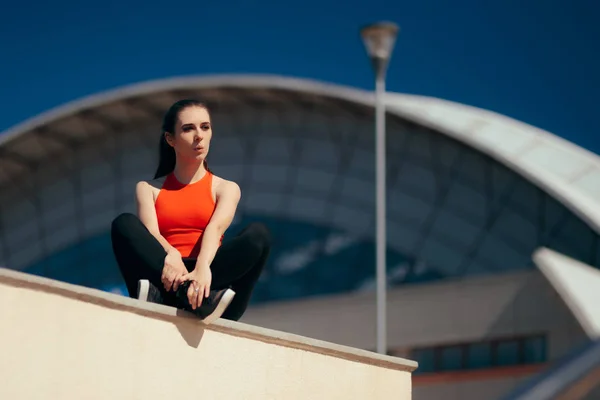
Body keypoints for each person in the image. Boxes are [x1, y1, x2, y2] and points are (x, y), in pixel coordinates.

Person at [110, 99, 270, 324]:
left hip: (208, 276)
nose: (199, 135)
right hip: (165, 272)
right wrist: (171, 255)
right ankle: (187, 297)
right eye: (188, 128)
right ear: (170, 139)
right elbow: (151, 234)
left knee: (258, 236)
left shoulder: (226, 188)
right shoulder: (148, 189)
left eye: (205, 127)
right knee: (123, 224)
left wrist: (203, 268)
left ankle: (200, 297)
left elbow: (215, 229)